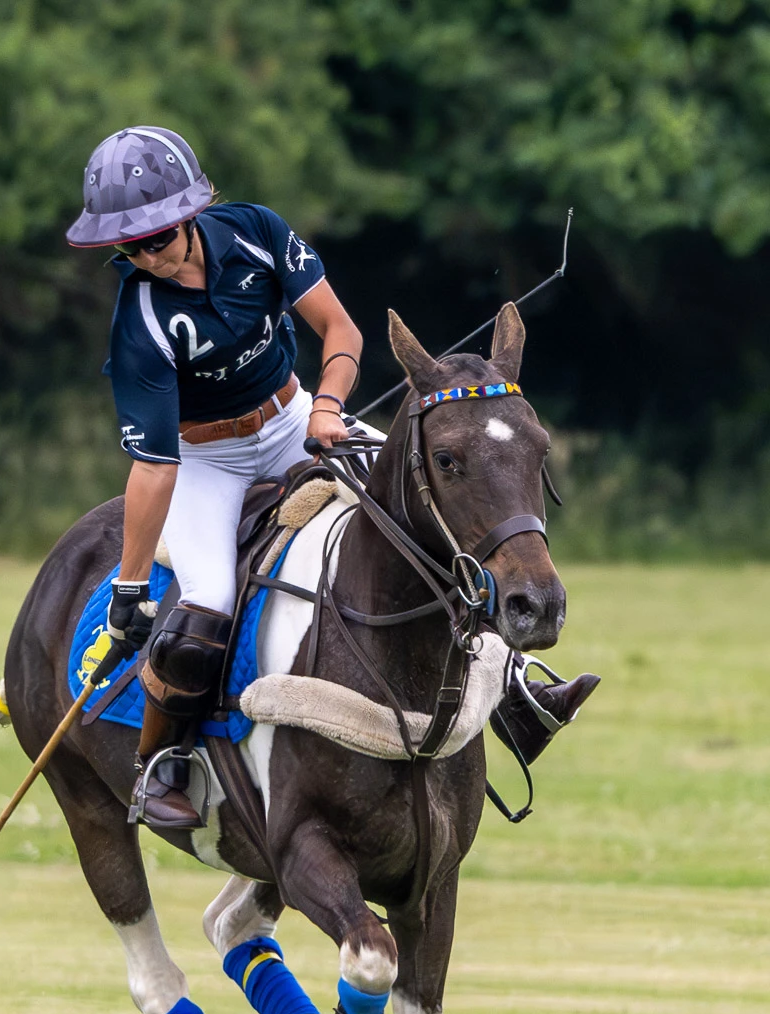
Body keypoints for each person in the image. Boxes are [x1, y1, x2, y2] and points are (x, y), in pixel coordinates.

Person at [66, 126, 596, 830]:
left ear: (191, 214)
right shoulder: (141, 319)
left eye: (156, 238)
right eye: (127, 247)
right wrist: (130, 588)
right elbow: (155, 466)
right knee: (209, 602)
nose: (145, 256)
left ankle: (519, 695)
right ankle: (160, 765)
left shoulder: (255, 233)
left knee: (433, 521)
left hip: (294, 418)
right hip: (205, 459)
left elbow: (341, 330)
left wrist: (324, 405)